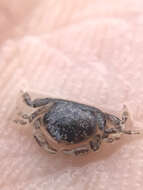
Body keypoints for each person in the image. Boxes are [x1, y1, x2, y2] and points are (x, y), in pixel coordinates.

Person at [0, 1, 143, 189]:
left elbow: (99, 141)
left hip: (78, 118)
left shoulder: (98, 125)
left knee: (113, 132)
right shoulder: (96, 125)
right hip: (70, 117)